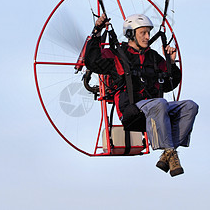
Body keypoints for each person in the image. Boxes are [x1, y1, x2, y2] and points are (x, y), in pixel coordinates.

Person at [84, 13, 199, 177]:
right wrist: (97, 31)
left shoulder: (153, 58)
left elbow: (169, 84)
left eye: (148, 33)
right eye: (143, 33)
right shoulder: (118, 55)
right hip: (132, 112)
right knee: (160, 103)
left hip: (157, 110)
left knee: (190, 106)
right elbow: (92, 61)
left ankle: (168, 153)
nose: (147, 37)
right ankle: (169, 151)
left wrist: (171, 63)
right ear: (131, 34)